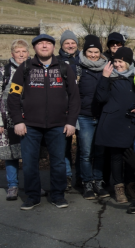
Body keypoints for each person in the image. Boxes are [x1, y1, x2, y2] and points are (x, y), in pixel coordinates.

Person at [8, 34, 80, 210]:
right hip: (29, 125)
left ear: (53, 47)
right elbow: (13, 96)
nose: (45, 46)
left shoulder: (64, 68)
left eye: (48, 43)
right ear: (35, 48)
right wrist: (18, 120)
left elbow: (75, 97)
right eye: (40, 44)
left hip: (58, 125)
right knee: (30, 162)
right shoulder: (24, 68)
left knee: (58, 162)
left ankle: (58, 195)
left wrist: (71, 121)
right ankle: (32, 197)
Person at [95, 47, 135, 203]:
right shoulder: (109, 77)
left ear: (129, 63)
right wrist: (104, 77)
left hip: (132, 121)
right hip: (114, 122)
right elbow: (101, 98)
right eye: (115, 61)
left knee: (131, 155)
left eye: (121, 62)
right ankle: (119, 187)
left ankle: (131, 185)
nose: (117, 65)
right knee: (116, 156)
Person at [0, 39, 29, 200]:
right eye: (17, 51)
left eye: (24, 51)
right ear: (12, 54)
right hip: (8, 121)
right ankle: (13, 185)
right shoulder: (3, 72)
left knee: (29, 155)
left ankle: (32, 185)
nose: (21, 54)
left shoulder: (33, 69)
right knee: (10, 155)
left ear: (28, 53)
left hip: (30, 120)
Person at [77, 35, 110, 200]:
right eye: (90, 51)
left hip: (102, 116)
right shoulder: (79, 66)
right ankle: (87, 183)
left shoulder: (107, 67)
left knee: (100, 152)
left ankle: (98, 181)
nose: (93, 55)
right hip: (85, 116)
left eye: (96, 51)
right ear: (85, 51)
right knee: (86, 152)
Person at [57, 30, 80, 190]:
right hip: (63, 108)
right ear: (62, 45)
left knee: (83, 146)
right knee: (64, 145)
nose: (70, 45)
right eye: (67, 43)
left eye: (73, 43)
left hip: (83, 108)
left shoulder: (83, 59)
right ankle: (66, 176)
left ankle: (80, 176)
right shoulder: (56, 60)